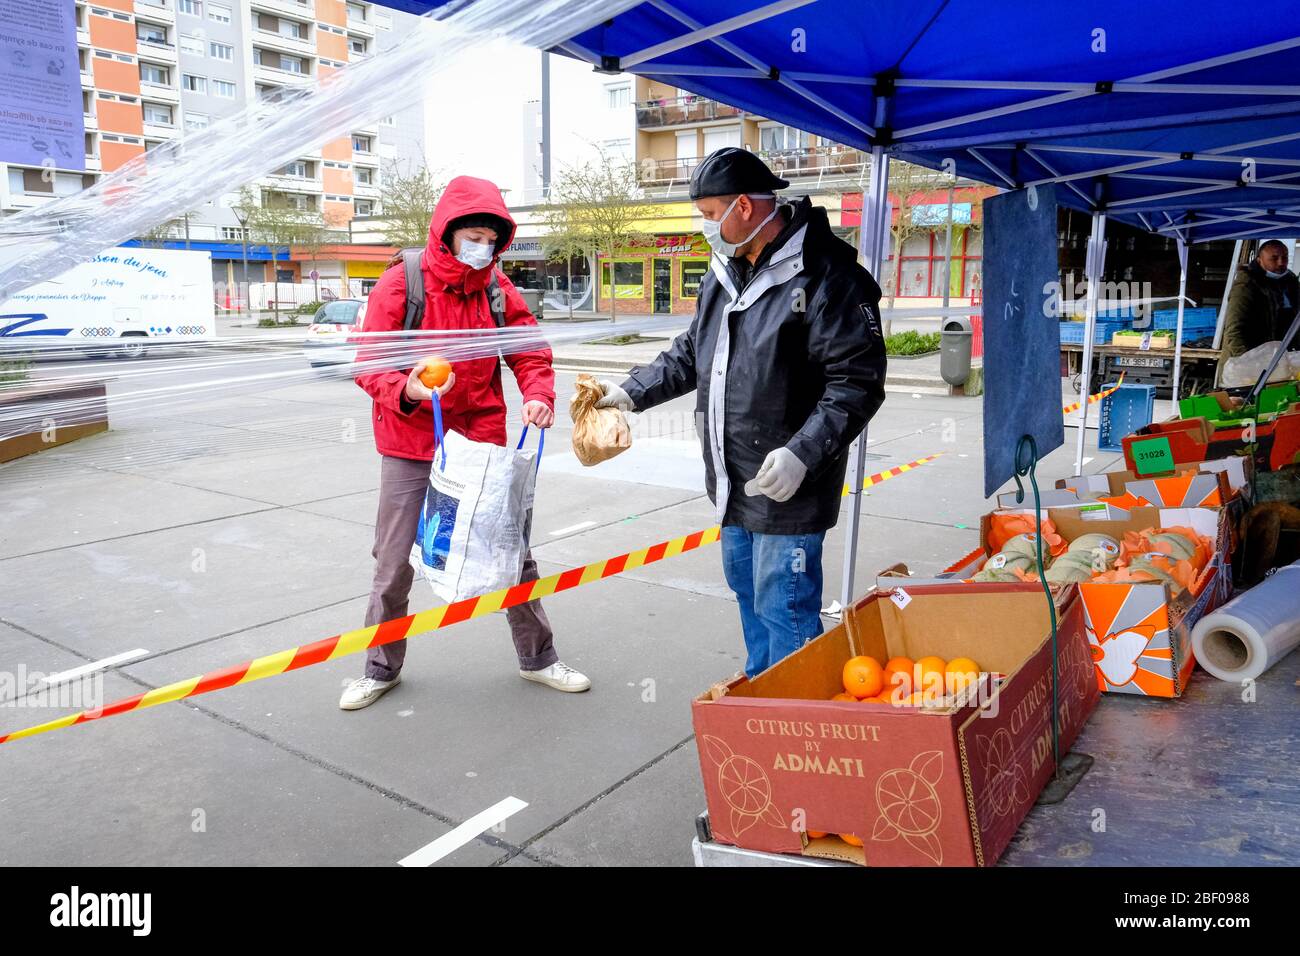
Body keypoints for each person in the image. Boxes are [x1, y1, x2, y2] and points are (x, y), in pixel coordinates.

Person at [593, 148, 887, 678]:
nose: (705, 227)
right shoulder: (727, 271)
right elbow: (692, 352)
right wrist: (630, 392)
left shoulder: (828, 276)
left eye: (710, 214)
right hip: (733, 484)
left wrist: (802, 453)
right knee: (752, 603)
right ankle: (761, 703)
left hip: (790, 489)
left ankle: (798, 727)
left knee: (787, 611)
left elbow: (857, 383)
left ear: (746, 208)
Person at [342, 175, 590, 710]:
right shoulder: (399, 285)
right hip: (410, 444)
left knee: (512, 551)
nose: (482, 247)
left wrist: (538, 393)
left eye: (490, 239)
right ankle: (379, 668)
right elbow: (366, 363)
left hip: (479, 443)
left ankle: (539, 659)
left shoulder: (498, 290)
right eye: (472, 235)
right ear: (446, 234)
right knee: (393, 561)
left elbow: (529, 350)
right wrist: (406, 388)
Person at [1221, 239, 1300, 362]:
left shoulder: (1290, 282)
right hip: (1250, 361)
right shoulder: (1246, 285)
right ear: (1259, 260)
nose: (1281, 262)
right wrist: (1246, 361)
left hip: (1281, 359)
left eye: (1284, 257)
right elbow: (1234, 330)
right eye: (1274, 258)